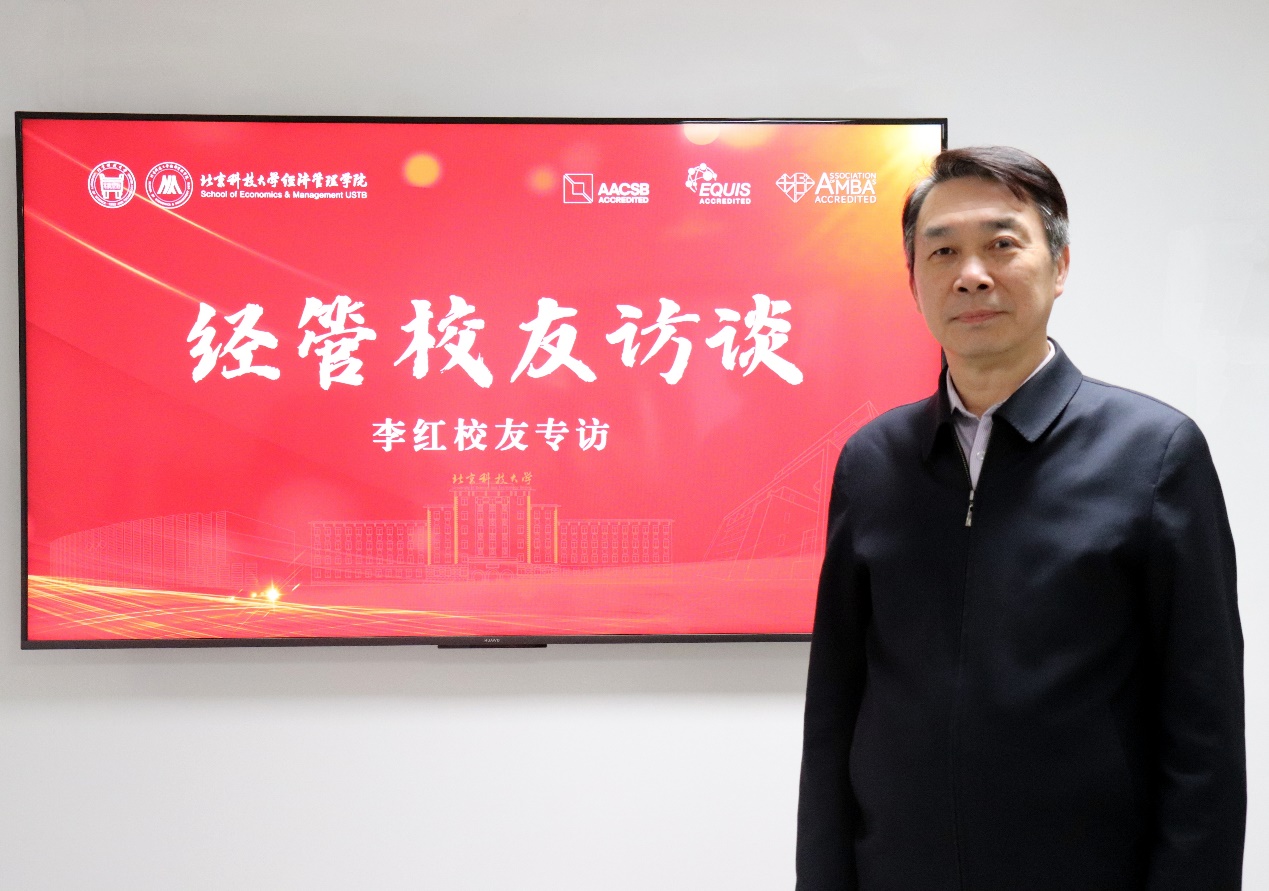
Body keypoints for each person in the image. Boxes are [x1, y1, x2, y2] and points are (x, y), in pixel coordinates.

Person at [796, 146, 1245, 890]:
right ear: (913, 282)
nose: (971, 274)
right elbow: (834, 711)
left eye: (1001, 244)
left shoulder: (1154, 452)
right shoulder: (872, 462)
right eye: (942, 251)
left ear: (1059, 265)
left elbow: (1204, 730)